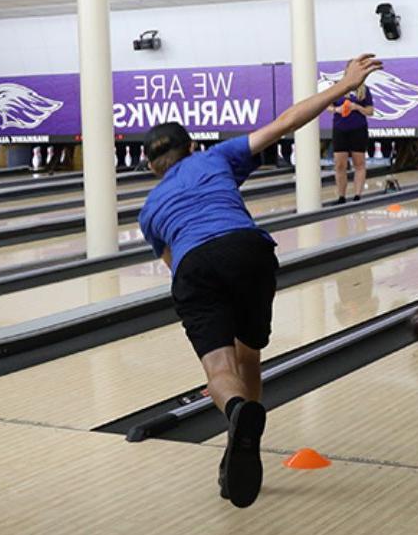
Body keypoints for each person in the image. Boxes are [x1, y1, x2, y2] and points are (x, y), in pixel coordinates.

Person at [139, 54, 383, 508]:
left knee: (219, 371)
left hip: (194, 262)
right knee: (249, 353)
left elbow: (179, 268)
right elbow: (288, 121)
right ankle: (244, 438)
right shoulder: (216, 156)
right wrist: (345, 85)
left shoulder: (150, 209)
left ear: (153, 166)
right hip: (249, 249)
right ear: (191, 147)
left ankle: (235, 412)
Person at [327, 62, 375, 204]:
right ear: (346, 71)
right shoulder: (338, 88)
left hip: (358, 129)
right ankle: (341, 196)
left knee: (359, 164)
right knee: (340, 165)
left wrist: (356, 107)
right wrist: (337, 110)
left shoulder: (364, 90)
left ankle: (357, 195)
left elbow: (370, 111)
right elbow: (328, 106)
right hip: (340, 128)